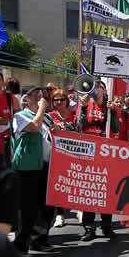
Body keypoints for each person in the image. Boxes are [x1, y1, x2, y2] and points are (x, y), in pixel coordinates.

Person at [12, 86, 59, 257]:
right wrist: (41, 109)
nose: (40, 98)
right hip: (27, 167)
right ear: (25, 100)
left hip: (45, 166)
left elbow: (49, 131)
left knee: (45, 206)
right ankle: (20, 247)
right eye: (35, 96)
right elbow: (34, 127)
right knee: (27, 209)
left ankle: (40, 239)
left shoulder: (45, 117)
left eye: (41, 95)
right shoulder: (20, 116)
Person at [76, 79, 120, 241]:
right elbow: (80, 126)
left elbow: (116, 128)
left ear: (103, 90)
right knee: (90, 191)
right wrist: (83, 107)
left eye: (98, 87)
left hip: (105, 155)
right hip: (89, 154)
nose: (94, 90)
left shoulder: (108, 107)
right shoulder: (85, 106)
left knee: (106, 192)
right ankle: (88, 227)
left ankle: (106, 225)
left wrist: (113, 112)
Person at [49, 89, 75, 228]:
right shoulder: (49, 116)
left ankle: (78, 209)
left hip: (73, 154)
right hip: (56, 154)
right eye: (56, 100)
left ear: (67, 101)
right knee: (58, 185)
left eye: (62, 100)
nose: (59, 102)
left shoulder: (74, 115)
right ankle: (60, 214)